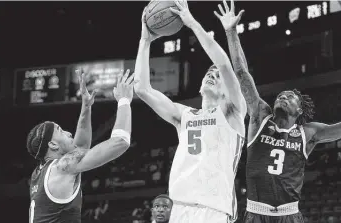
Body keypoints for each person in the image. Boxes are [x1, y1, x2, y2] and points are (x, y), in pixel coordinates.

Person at [216, 0, 341, 222]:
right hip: (256, 213)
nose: (282, 97)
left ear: (299, 109)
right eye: (280, 96)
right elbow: (242, 74)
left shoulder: (308, 133)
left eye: (289, 97)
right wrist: (230, 31)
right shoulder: (260, 117)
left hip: (289, 215)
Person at [134, 0, 247, 222]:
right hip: (178, 208)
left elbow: (223, 64)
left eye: (217, 76)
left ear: (228, 90)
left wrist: (192, 23)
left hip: (213, 210)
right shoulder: (183, 116)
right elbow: (142, 88)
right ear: (199, 87)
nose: (213, 74)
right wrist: (145, 40)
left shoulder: (233, 112)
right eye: (209, 72)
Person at [27, 69, 134, 223]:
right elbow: (120, 143)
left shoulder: (41, 172)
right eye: (60, 131)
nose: (69, 132)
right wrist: (124, 101)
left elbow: (80, 147)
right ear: (53, 144)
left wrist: (86, 107)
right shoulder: (62, 167)